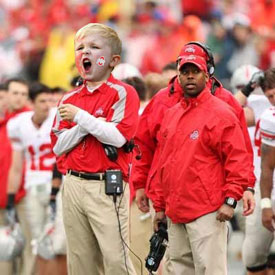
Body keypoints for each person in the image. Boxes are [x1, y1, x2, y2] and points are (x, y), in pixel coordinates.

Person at [50, 23, 139, 275]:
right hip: (73, 184)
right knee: (80, 262)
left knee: (115, 260)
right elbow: (58, 145)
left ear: (113, 60)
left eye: (94, 47)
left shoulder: (123, 92)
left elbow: (118, 137)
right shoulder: (69, 99)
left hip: (106, 185)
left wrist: (80, 118)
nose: (85, 52)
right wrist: (88, 123)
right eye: (80, 48)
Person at [153, 54, 251, 275]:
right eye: (184, 72)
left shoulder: (221, 113)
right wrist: (159, 206)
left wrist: (230, 200)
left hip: (208, 211)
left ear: (206, 76)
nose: (189, 77)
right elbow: (163, 164)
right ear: (177, 76)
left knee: (211, 271)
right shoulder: (172, 114)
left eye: (194, 72)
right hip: (176, 211)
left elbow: (238, 159)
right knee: (176, 272)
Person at [6, 82, 56, 275]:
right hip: (32, 187)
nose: (47, 105)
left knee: (56, 242)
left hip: (56, 187)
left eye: (49, 100)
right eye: (42, 101)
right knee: (35, 241)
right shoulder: (18, 124)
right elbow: (16, 166)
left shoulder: (57, 117)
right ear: (31, 102)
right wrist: (11, 198)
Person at [236, 68, 275, 275]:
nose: (274, 99)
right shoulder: (265, 111)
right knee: (252, 255)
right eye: (270, 95)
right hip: (264, 186)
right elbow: (227, 110)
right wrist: (248, 89)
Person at [0, 78, 30, 275]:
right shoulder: (4, 123)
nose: (18, 98)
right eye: (14, 93)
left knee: (28, 245)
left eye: (23, 94)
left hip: (25, 192)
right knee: (5, 247)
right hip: (3, 193)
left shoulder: (30, 120)